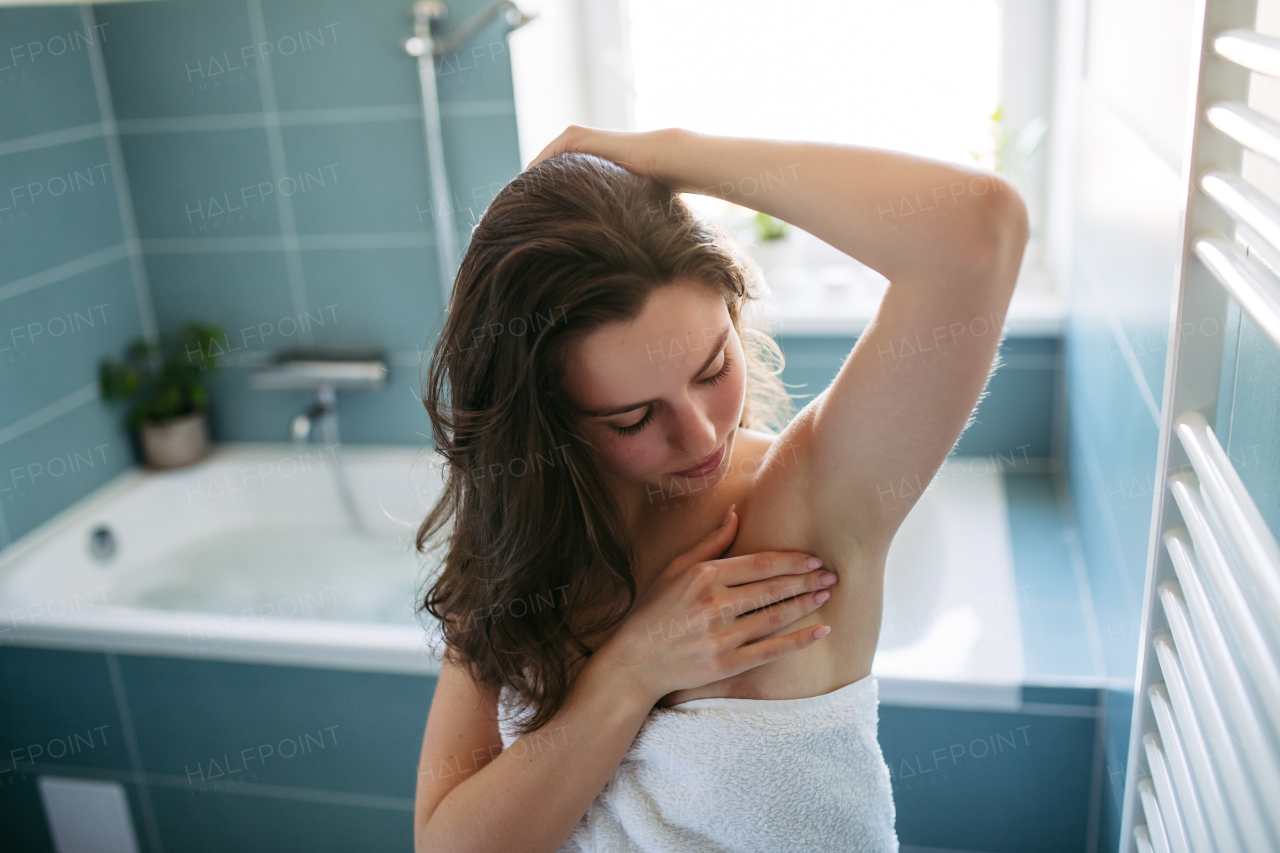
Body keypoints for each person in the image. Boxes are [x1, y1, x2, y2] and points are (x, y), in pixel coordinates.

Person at [413, 125, 1028, 852]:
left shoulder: (805, 499)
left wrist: (665, 155)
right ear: (547, 423)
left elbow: (977, 235)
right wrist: (631, 671)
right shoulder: (523, 547)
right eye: (635, 417)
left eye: (712, 369)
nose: (704, 435)